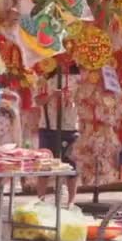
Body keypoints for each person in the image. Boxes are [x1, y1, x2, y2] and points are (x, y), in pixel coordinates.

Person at [36, 65, 80, 209]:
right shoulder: (44, 77)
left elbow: (83, 100)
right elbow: (37, 101)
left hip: (70, 126)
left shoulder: (79, 77)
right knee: (44, 164)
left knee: (70, 164)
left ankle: (71, 201)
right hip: (48, 126)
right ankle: (40, 200)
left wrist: (70, 97)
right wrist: (51, 96)